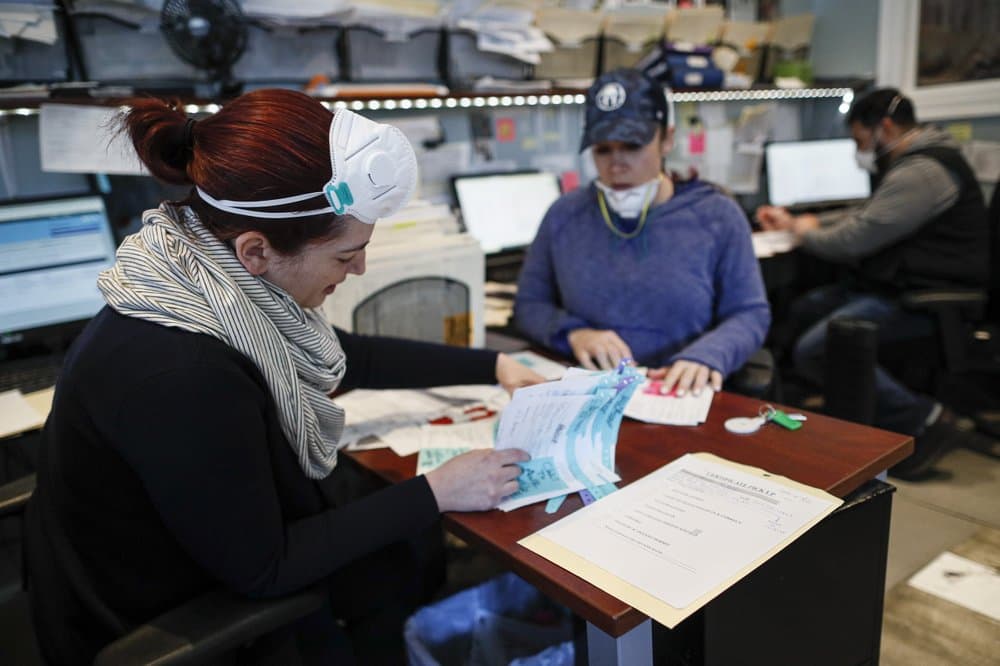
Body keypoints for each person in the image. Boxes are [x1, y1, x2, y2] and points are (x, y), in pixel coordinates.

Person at [24, 89, 544, 665]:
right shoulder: (184, 372)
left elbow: (351, 356)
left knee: (397, 557)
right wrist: (439, 490)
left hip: (188, 552)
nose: (359, 269)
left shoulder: (200, 277)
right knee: (399, 559)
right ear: (256, 250)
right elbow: (265, 567)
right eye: (345, 257)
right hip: (165, 615)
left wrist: (494, 366)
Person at [755, 88, 990, 480]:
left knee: (819, 346)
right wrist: (808, 221)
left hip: (927, 298)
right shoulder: (913, 160)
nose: (857, 151)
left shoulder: (923, 171)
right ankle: (823, 415)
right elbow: (866, 212)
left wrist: (802, 232)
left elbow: (856, 238)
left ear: (884, 127)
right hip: (903, 286)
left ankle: (928, 420)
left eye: (858, 140)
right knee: (803, 309)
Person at [514, 69, 770, 396]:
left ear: (667, 139)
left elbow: (749, 312)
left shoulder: (716, 215)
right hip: (594, 393)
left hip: (680, 391)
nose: (616, 164)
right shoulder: (564, 215)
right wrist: (574, 334)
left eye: (632, 146)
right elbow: (530, 305)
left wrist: (707, 356)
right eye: (602, 149)